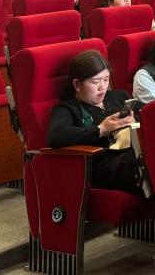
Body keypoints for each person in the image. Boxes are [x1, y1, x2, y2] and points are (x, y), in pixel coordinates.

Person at [46, 50, 143, 194]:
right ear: (77, 84)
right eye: (95, 82)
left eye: (106, 79)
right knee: (151, 160)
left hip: (134, 152)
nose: (102, 87)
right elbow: (55, 135)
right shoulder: (68, 109)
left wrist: (135, 119)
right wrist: (101, 130)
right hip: (106, 165)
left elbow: (151, 112)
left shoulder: (119, 97)